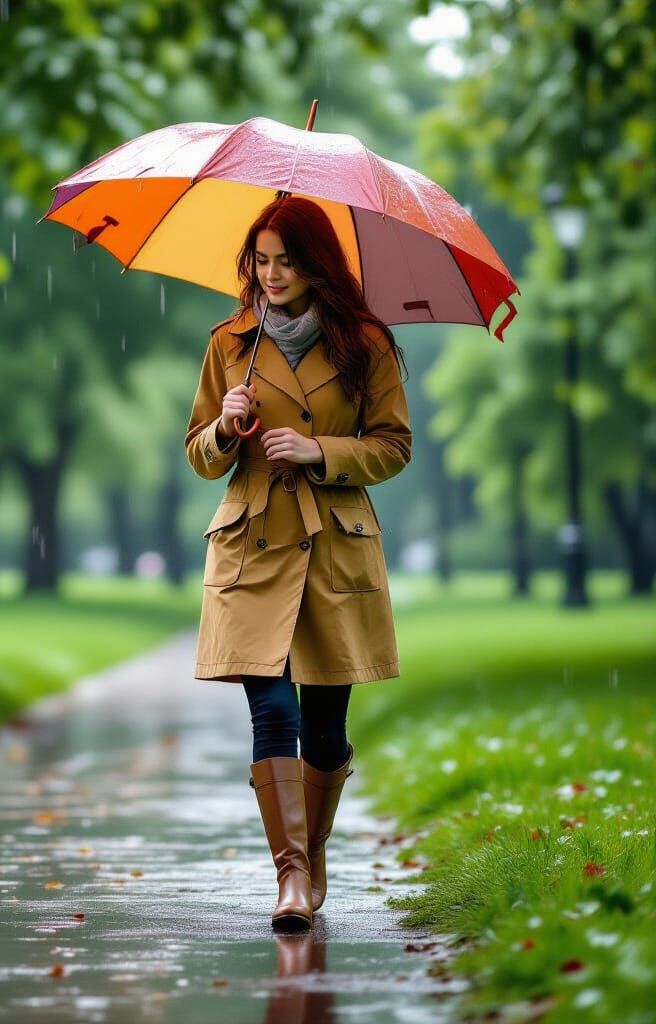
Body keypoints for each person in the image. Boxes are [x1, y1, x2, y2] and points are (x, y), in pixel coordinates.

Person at [184, 196, 413, 931]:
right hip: (254, 546)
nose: (272, 273)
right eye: (261, 258)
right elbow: (197, 454)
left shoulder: (366, 344)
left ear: (316, 265)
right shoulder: (229, 342)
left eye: (287, 260)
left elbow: (394, 445)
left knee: (323, 729)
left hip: (333, 549)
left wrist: (321, 451)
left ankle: (311, 859)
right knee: (272, 710)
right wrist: (225, 426)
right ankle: (288, 878)